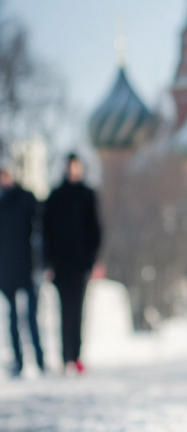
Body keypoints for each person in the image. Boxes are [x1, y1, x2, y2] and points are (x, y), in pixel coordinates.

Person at [43, 153, 102, 375]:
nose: (72, 170)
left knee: (78, 310)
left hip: (81, 263)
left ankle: (76, 356)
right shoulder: (55, 196)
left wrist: (94, 260)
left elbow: (95, 230)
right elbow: (47, 233)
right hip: (60, 263)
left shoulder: (88, 195)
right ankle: (64, 357)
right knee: (63, 310)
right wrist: (48, 263)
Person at [0, 164, 44, 377]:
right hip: (5, 269)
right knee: (12, 317)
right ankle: (17, 361)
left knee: (32, 316)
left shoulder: (27, 198)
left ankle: (40, 360)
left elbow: (40, 231)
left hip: (28, 266)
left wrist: (41, 262)